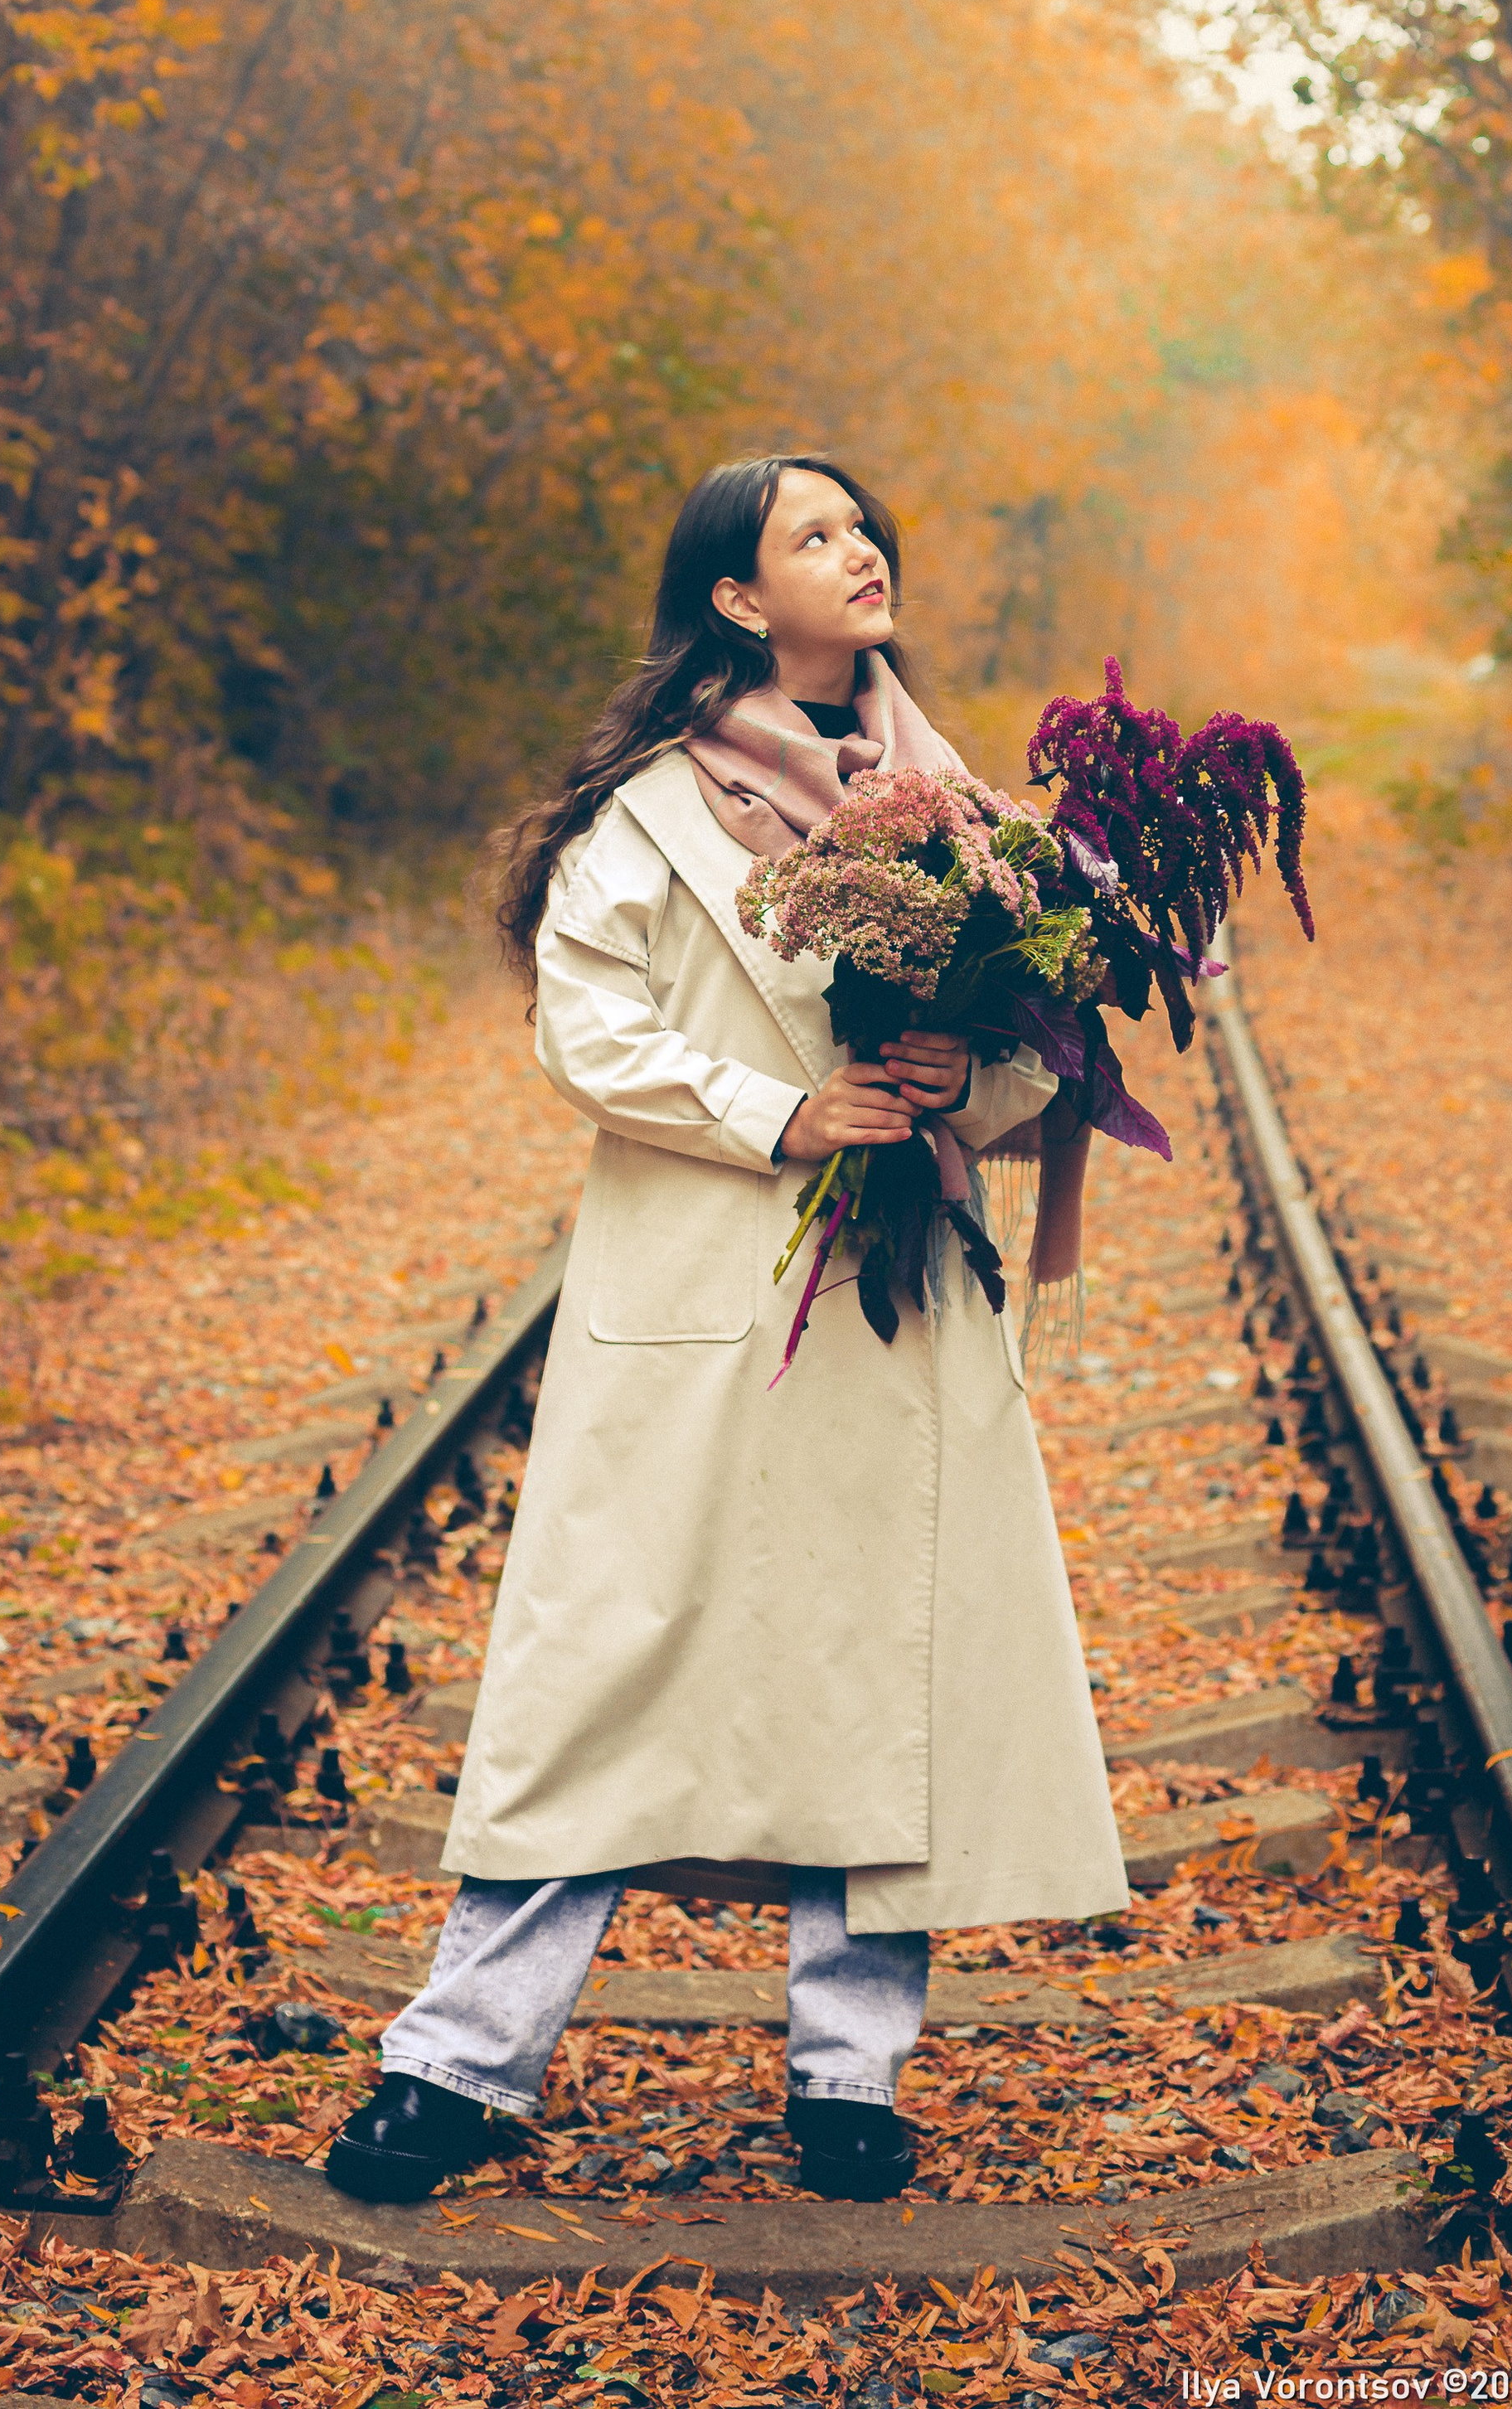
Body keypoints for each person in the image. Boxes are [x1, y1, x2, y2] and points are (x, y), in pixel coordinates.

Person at [325, 453, 1127, 2209]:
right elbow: (581, 1027)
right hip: (703, 1291)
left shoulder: (959, 813)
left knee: (874, 1672)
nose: (860, 552)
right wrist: (779, 1112)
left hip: (887, 1306)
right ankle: (458, 2063)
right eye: (813, 537)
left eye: (863, 528)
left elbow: (1033, 1049)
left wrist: (957, 1081)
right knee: (607, 1661)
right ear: (736, 601)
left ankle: (850, 2076)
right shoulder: (653, 813)